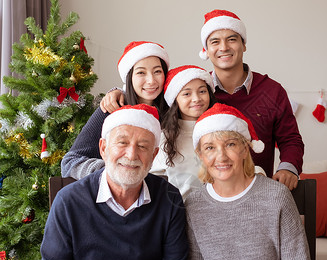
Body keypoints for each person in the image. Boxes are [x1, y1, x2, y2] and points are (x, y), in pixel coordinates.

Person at [102, 10, 305, 190]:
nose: (224, 47)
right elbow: (152, 89)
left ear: (244, 44)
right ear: (206, 51)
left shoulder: (272, 91)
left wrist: (289, 168)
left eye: (232, 39)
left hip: (254, 189)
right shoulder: (195, 87)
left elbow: (291, 139)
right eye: (215, 42)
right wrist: (119, 91)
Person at [39, 104, 190, 260]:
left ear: (153, 156)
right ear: (103, 148)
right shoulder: (68, 202)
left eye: (143, 146)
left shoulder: (169, 198)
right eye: (122, 143)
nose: (131, 155)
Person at [185, 103, 313, 260]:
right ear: (201, 155)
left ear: (245, 148)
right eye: (210, 147)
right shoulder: (194, 205)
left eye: (230, 144)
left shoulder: (276, 197)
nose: (221, 156)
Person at [61, 41, 170, 179]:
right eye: (141, 72)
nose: (151, 80)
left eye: (157, 71)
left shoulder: (175, 109)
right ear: (129, 77)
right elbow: (70, 162)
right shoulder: (112, 108)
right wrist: (115, 172)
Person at [150, 65, 216, 198]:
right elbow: (152, 184)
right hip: (178, 213)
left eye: (202, 91)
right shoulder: (163, 138)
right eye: (187, 94)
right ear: (175, 99)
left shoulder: (222, 130)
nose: (196, 98)